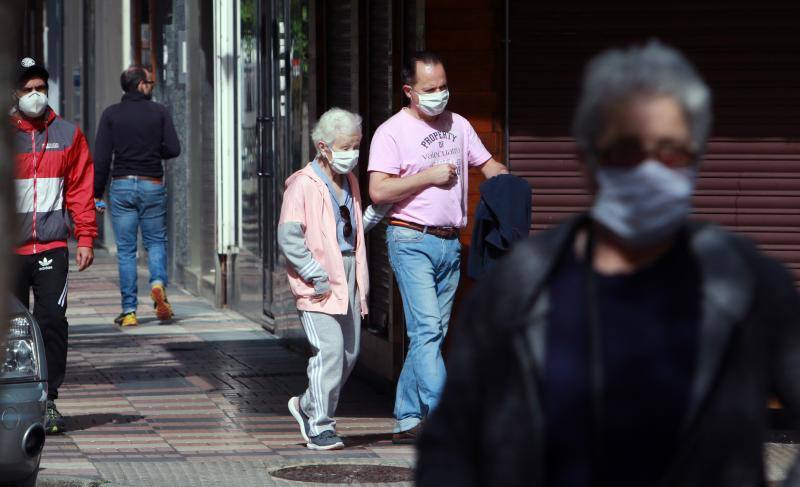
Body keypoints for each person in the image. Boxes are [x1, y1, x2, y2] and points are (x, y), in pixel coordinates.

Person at [416, 41, 800, 487]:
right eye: (627, 150)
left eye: (671, 150)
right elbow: (451, 447)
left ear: (696, 157)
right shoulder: (519, 287)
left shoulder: (749, 286)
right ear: (588, 159)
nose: (649, 169)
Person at [367, 51, 508, 443]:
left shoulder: (459, 126)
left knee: (430, 335)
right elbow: (378, 190)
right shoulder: (391, 132)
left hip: (450, 244)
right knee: (428, 330)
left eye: (444, 87)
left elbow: (488, 164)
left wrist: (511, 184)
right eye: (430, 89)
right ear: (409, 91)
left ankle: (407, 417)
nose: (439, 95)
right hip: (410, 239)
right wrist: (428, 176)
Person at [11, 57, 97, 434]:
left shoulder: (67, 135)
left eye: (40, 88)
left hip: (51, 248)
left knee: (50, 323)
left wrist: (86, 236)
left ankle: (49, 402)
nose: (35, 95)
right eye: (27, 89)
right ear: (15, 93)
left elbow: (79, 189)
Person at [279, 108, 374, 451]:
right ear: (323, 146)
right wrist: (314, 274)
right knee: (330, 352)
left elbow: (345, 228)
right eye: (347, 146)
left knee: (349, 354)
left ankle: (306, 406)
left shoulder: (349, 180)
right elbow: (290, 237)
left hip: (348, 275)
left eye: (357, 145)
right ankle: (320, 425)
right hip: (318, 282)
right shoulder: (302, 184)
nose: (353, 153)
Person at [94, 65, 181, 327]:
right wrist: (153, 152)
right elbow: (174, 149)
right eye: (150, 83)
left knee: (126, 251)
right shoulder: (159, 112)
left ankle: (129, 311)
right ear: (141, 84)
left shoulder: (111, 115)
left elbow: (100, 159)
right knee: (155, 242)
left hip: (121, 186)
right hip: (151, 183)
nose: (151, 87)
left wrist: (97, 194)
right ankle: (157, 283)